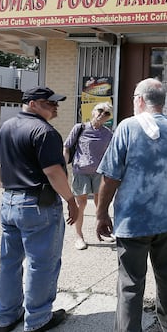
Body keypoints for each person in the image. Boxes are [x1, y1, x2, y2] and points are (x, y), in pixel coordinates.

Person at [96, 78, 167, 332]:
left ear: (140, 100)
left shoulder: (127, 127)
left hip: (133, 222)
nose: (133, 102)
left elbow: (110, 177)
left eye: (133, 98)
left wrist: (100, 213)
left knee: (130, 284)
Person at [0, 86, 79, 332]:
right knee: (41, 264)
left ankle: (8, 317)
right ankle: (38, 319)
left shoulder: (6, 127)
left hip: (10, 202)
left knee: (10, 263)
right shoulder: (45, 132)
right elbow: (53, 171)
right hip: (38, 205)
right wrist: (71, 200)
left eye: (56, 103)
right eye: (49, 103)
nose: (55, 107)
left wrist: (6, 179)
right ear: (32, 103)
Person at [63, 102, 114, 250]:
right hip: (81, 172)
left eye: (107, 113)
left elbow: (111, 153)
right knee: (81, 205)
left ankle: (103, 231)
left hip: (99, 173)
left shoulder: (108, 133)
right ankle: (79, 236)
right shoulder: (80, 128)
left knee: (101, 204)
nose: (102, 114)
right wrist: (63, 165)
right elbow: (66, 147)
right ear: (93, 111)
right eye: (100, 110)